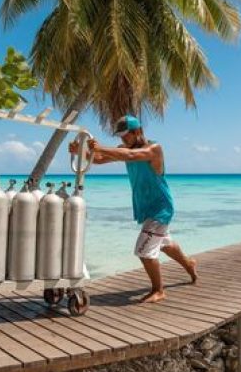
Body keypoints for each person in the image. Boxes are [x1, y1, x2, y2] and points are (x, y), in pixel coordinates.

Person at [71, 115, 197, 303]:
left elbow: (130, 156)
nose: (123, 140)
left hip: (160, 207)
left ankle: (159, 290)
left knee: (144, 250)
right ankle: (189, 265)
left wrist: (100, 148)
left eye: (126, 135)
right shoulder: (124, 148)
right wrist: (81, 151)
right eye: (120, 137)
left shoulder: (154, 149)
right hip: (146, 206)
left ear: (138, 131)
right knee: (165, 243)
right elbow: (98, 159)